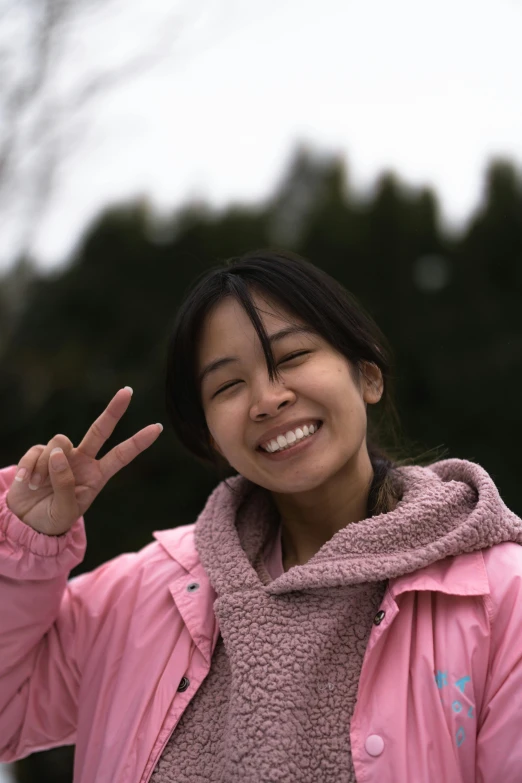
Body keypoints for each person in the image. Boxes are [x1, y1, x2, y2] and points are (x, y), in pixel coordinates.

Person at [1, 249, 522, 783]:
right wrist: (26, 547)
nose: (267, 400)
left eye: (292, 357)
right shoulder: (141, 596)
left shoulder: (499, 597)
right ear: (210, 436)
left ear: (367, 376)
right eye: (228, 386)